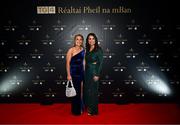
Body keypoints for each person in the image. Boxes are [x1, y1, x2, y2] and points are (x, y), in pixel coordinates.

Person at [84, 33, 103, 116]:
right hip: (87, 72)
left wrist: (97, 74)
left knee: (94, 91)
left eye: (93, 38)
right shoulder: (87, 49)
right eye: (89, 39)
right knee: (88, 90)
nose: (91, 40)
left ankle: (94, 111)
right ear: (87, 40)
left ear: (95, 40)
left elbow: (101, 63)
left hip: (94, 72)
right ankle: (89, 107)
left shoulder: (99, 49)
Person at [66, 34, 85, 115]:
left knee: (81, 92)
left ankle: (80, 107)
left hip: (81, 73)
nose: (79, 41)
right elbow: (67, 64)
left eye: (80, 39)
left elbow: (84, 63)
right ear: (74, 40)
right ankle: (75, 110)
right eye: (77, 39)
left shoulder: (83, 50)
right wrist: (68, 75)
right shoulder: (71, 50)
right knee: (75, 92)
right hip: (73, 74)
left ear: (82, 41)